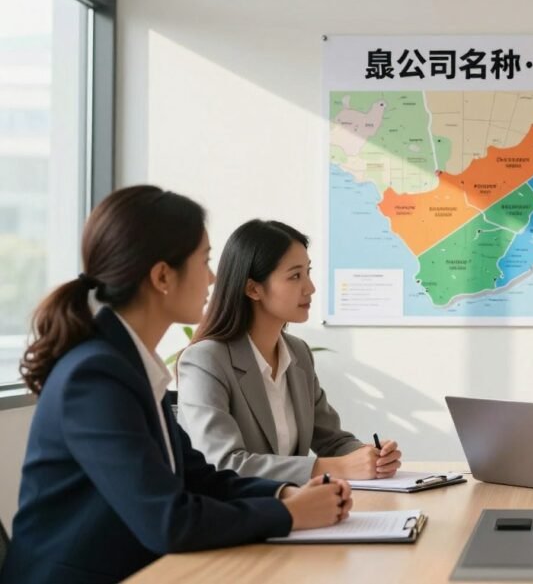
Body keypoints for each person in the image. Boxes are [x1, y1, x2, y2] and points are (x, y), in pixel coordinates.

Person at [0, 187, 352, 584]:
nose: (214, 277)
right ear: (162, 276)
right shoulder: (95, 377)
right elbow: (168, 521)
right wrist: (289, 515)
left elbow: (198, 477)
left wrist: (285, 495)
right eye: (204, 260)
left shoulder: (128, 364)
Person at [177, 219, 401, 483]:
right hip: (236, 516)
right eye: (295, 276)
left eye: (308, 272)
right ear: (253, 288)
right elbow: (224, 464)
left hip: (297, 509)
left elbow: (331, 441)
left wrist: (370, 456)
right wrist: (337, 468)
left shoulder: (298, 354)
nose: (310, 287)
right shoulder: (205, 361)